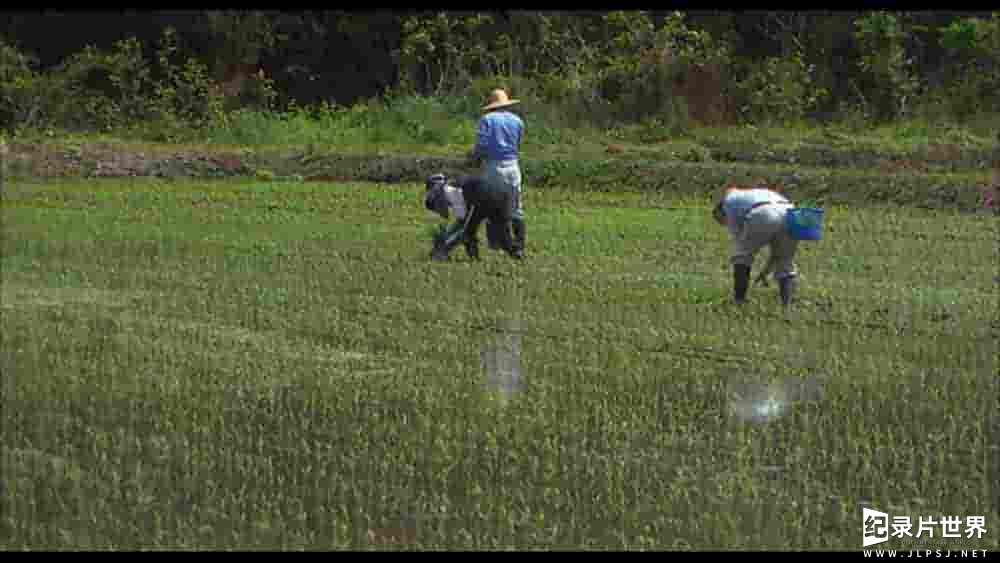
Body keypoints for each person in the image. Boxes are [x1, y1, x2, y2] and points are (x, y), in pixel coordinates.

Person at [712, 182, 799, 306]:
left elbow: (739, 240)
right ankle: (788, 304)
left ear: (720, 211)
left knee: (741, 256)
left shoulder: (728, 203)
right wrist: (765, 271)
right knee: (785, 262)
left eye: (722, 221)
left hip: (763, 212)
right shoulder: (751, 195)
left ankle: (739, 300)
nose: (725, 224)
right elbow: (777, 255)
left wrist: (745, 250)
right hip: (791, 212)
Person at [469, 88, 526, 256]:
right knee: (516, 206)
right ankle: (520, 244)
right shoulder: (518, 121)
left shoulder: (487, 120)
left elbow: (481, 146)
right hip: (513, 166)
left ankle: (499, 243)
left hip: (494, 167)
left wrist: (474, 159)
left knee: (493, 206)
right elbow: (519, 143)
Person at [424, 173, 521, 262]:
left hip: (484, 198)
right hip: (505, 195)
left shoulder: (449, 191)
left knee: (467, 232)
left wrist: (444, 241)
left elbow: (462, 225)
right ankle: (516, 253)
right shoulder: (454, 183)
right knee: (502, 235)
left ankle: (440, 253)